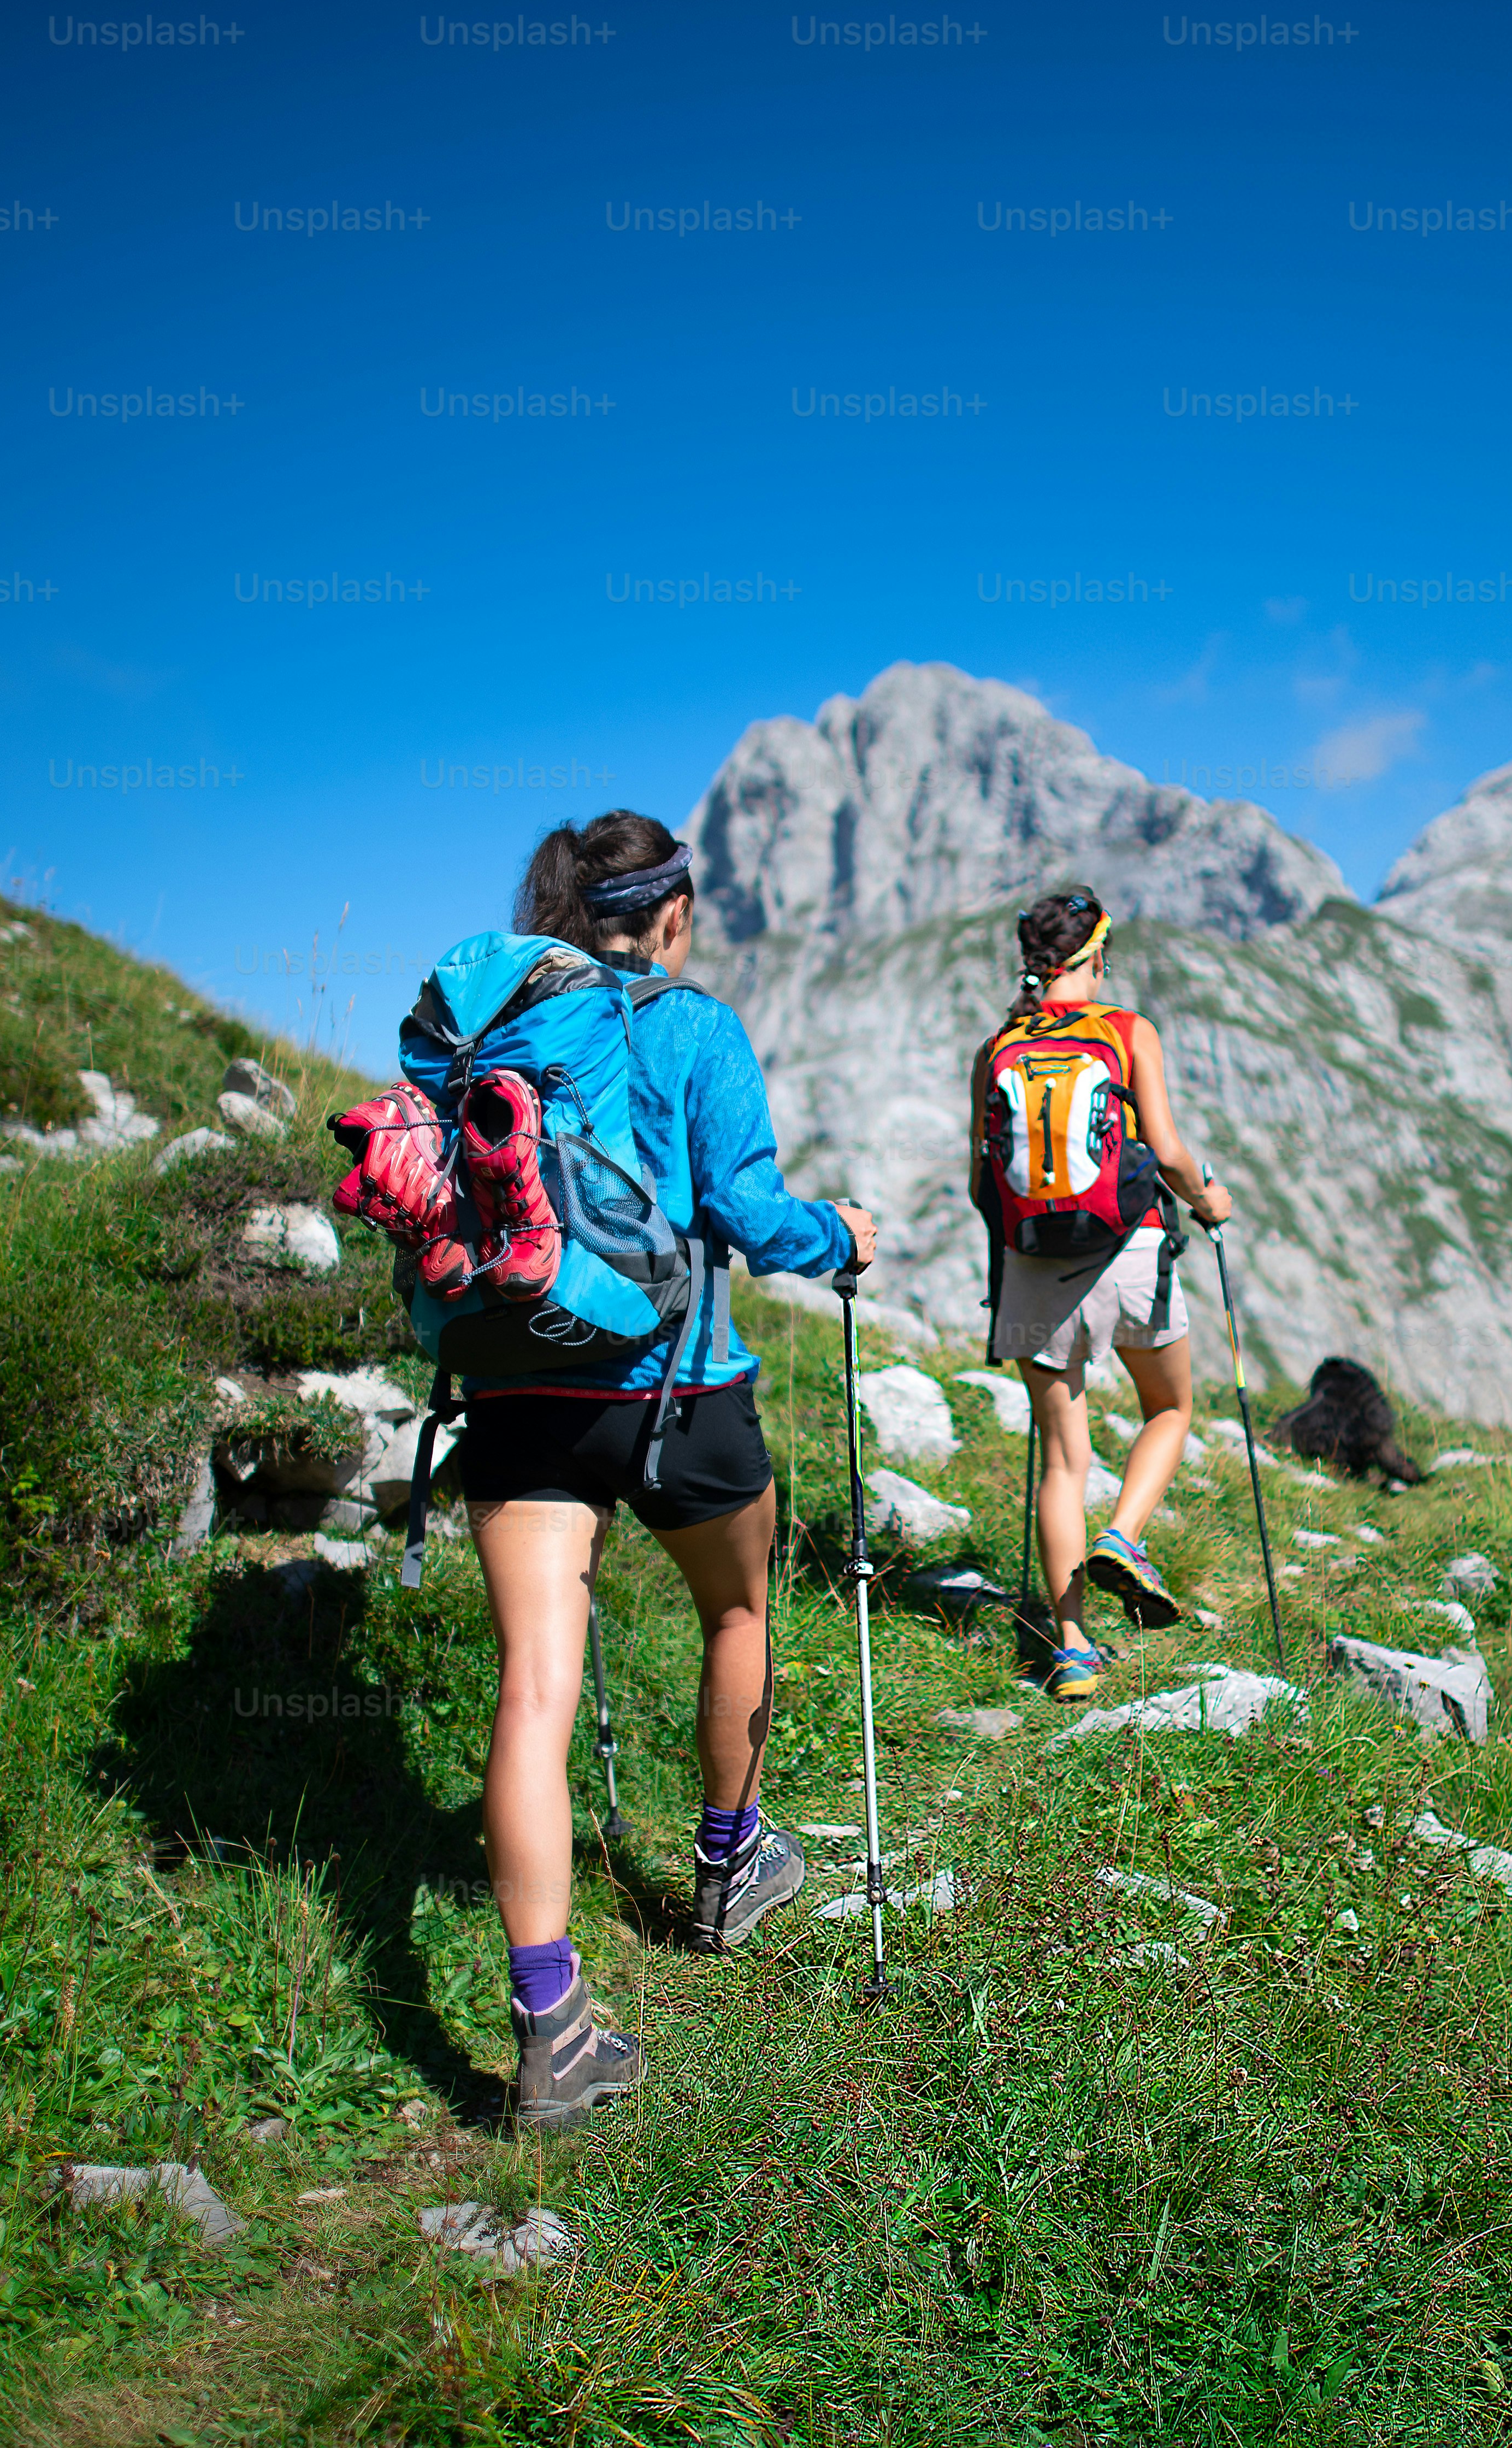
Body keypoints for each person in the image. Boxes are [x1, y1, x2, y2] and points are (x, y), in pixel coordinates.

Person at [453, 811, 873, 2131]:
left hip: (521, 1395)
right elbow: (752, 1217)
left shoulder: (503, 1027)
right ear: (676, 909)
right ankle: (728, 1862)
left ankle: (551, 2028)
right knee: (738, 1611)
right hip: (678, 1393)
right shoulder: (696, 1029)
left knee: (534, 1692)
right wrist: (841, 1231)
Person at [971, 888, 1235, 1699]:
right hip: (1129, 1251)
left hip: (1030, 1263)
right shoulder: (1127, 1031)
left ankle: (1074, 1651)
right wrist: (1211, 1197)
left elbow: (980, 1179)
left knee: (1061, 1457)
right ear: (1097, 954)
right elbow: (1166, 1148)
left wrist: (1016, 1257)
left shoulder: (996, 1048)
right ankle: (1124, 1535)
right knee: (1170, 1409)